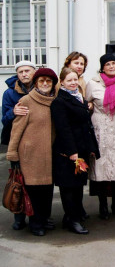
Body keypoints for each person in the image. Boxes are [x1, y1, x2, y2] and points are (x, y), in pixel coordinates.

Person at [6, 68, 58, 236]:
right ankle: (35, 224)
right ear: (35, 83)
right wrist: (12, 153)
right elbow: (16, 129)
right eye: (41, 81)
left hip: (49, 154)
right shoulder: (26, 100)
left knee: (47, 190)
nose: (45, 84)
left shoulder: (56, 101)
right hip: (30, 155)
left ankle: (43, 219)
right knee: (33, 190)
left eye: (48, 81)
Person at [51, 67, 100, 234]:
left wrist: (91, 148)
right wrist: (72, 152)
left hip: (82, 149)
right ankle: (73, 219)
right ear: (62, 82)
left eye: (75, 79)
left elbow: (86, 125)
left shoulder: (79, 98)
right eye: (69, 80)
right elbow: (63, 129)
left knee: (79, 185)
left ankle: (73, 216)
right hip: (69, 153)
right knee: (69, 187)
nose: (73, 83)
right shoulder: (60, 101)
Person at [86, 54, 115, 220]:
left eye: (114, 64)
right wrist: (89, 105)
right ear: (102, 67)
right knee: (101, 168)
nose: (111, 66)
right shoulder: (93, 83)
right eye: (108, 64)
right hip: (100, 127)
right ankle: (103, 205)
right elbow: (86, 102)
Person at [1, 60, 36, 230]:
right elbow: (4, 119)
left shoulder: (42, 89)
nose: (24, 74)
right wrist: (12, 112)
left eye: (27, 70)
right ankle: (19, 215)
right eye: (21, 71)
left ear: (34, 72)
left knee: (37, 181)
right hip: (16, 141)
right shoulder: (9, 93)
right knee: (18, 180)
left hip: (36, 142)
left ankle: (38, 216)